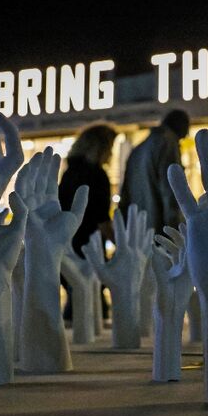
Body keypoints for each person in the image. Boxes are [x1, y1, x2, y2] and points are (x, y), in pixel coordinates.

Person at [58, 124, 118, 321]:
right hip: (89, 245)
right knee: (93, 305)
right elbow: (102, 218)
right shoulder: (97, 175)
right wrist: (120, 243)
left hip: (67, 243)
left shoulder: (69, 173)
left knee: (76, 299)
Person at [118, 109, 190, 233]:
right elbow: (171, 191)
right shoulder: (167, 143)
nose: (186, 136)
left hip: (140, 231)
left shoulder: (137, 150)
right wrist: (176, 232)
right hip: (160, 231)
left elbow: (125, 196)